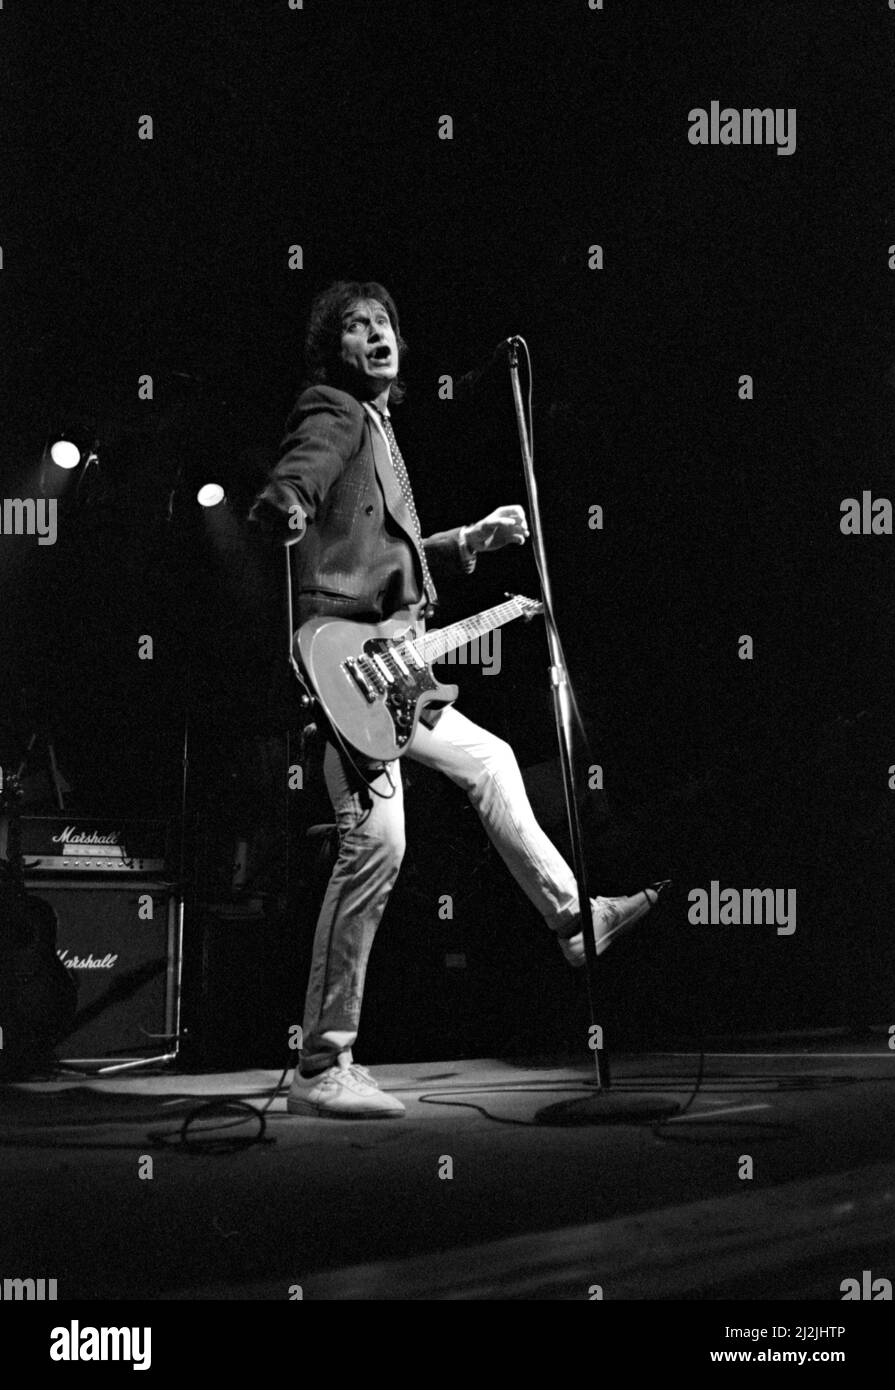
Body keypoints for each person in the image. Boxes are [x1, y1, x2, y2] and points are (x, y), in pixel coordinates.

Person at [249, 280, 662, 1118]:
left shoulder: (384, 430)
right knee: (378, 849)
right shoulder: (335, 409)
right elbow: (305, 464)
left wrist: (465, 541)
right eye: (356, 326)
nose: (376, 334)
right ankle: (323, 1064)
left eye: (385, 323)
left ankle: (571, 919)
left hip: (393, 673)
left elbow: (385, 560)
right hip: (347, 667)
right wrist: (285, 499)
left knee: (491, 760)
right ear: (333, 350)